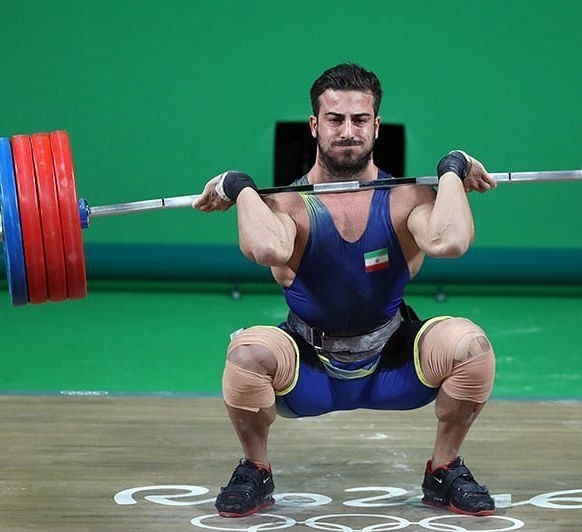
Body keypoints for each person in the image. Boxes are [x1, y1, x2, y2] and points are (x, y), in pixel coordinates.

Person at [193, 62, 498, 518]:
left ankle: (444, 468)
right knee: (246, 355)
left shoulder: (403, 199)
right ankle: (255, 469)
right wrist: (240, 187)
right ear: (315, 126)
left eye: (360, 120)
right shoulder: (289, 205)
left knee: (470, 346)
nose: (348, 131)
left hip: (393, 366)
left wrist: (451, 169)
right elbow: (263, 246)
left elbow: (449, 241)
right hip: (309, 373)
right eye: (335, 119)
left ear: (376, 125)